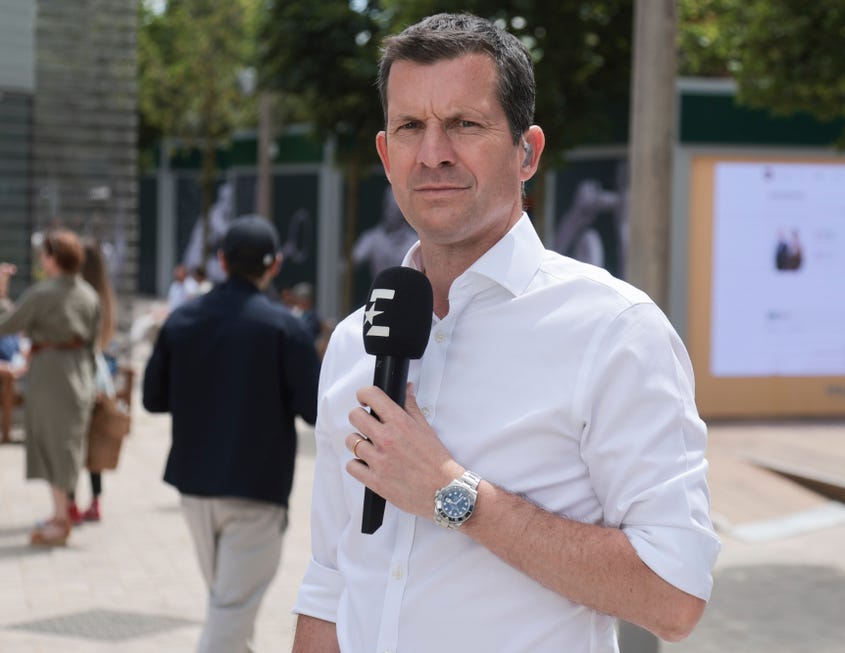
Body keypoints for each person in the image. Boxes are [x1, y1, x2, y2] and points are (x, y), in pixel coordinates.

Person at [292, 13, 719, 653]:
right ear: (385, 154)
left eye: (464, 124)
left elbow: (674, 595)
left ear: (527, 152)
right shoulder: (356, 340)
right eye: (410, 126)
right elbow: (332, 576)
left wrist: (452, 494)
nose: (433, 152)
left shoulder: (614, 331)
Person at [143, 215, 320, 652]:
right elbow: (315, 411)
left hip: (194, 488)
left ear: (221, 260)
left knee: (228, 610)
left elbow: (152, 399)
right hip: (256, 491)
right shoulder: (285, 327)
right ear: (275, 264)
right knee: (229, 616)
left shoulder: (181, 319)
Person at [0, 230, 100, 547]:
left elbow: (8, 324)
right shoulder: (88, 294)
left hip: (51, 378)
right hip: (80, 375)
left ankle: (62, 518)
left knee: (53, 446)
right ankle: (61, 513)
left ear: (53, 258)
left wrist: (1, 295)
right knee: (66, 445)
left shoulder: (43, 293)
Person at [69, 237, 119, 523]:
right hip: (101, 378)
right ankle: (96, 502)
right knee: (95, 441)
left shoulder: (80, 297)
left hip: (78, 375)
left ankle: (71, 504)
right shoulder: (105, 296)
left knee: (73, 443)